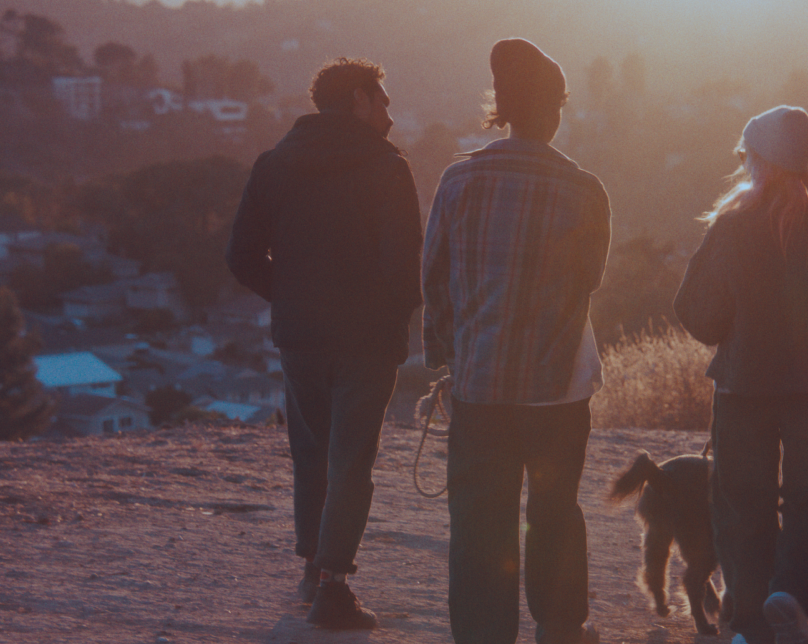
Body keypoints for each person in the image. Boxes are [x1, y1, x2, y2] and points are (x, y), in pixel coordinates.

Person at [422, 38, 610, 644]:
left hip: (480, 385)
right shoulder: (586, 190)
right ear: (556, 111)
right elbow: (591, 280)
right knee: (555, 512)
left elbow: (435, 283)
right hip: (559, 387)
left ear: (500, 110)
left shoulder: (457, 181)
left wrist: (449, 362)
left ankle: (482, 634)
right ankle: (560, 628)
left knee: (480, 522)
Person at [225, 57, 422, 630]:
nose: (388, 112)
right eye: (382, 100)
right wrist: (389, 321)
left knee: (310, 455)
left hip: (301, 337)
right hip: (365, 340)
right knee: (352, 459)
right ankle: (334, 590)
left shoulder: (273, 164)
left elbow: (240, 256)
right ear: (359, 98)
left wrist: (289, 298)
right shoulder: (388, 167)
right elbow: (402, 266)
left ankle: (314, 570)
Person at [673, 106, 808, 644]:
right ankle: (791, 596)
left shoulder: (733, 225)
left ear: (758, 161)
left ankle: (750, 624)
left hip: (744, 387)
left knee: (741, 504)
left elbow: (698, 313)